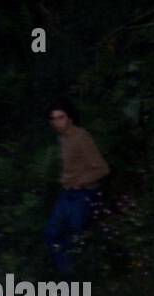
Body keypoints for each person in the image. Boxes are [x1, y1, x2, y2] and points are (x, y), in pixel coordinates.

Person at [43, 98, 109, 275]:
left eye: (61, 117)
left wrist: (80, 181)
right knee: (52, 233)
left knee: (75, 237)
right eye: (53, 118)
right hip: (67, 193)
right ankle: (68, 279)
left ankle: (78, 282)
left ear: (70, 118)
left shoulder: (81, 137)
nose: (57, 122)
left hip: (83, 194)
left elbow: (102, 168)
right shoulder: (62, 139)